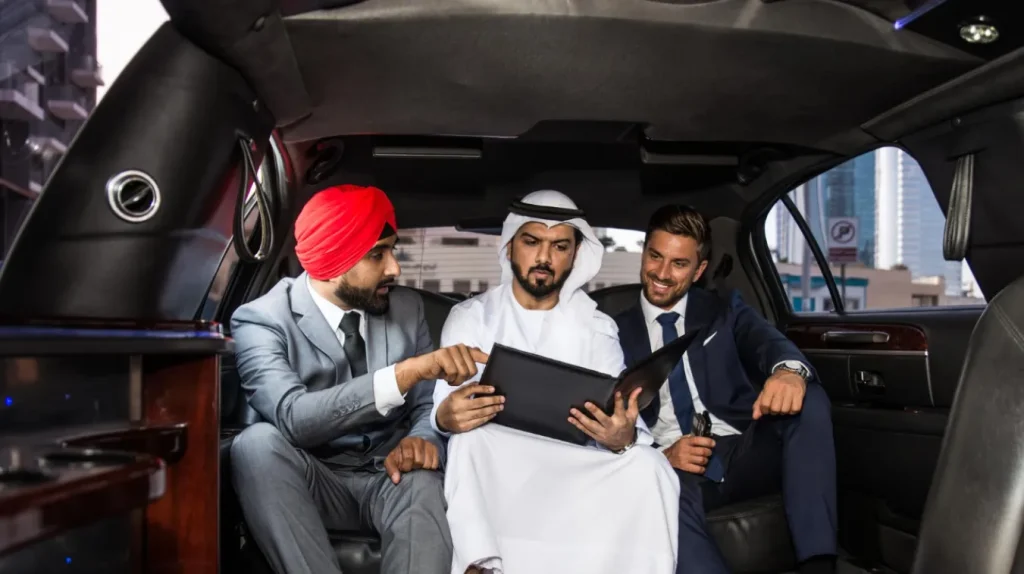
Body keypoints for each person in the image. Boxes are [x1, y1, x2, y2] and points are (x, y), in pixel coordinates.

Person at [229, 184, 487, 574]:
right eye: (377, 255)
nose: (394, 268)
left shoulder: (406, 307)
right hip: (315, 477)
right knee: (255, 445)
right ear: (333, 262)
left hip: (392, 475)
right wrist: (404, 373)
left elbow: (424, 407)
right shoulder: (261, 320)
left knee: (422, 478)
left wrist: (423, 438)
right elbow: (294, 419)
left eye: (393, 250)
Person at [432, 190, 681, 574]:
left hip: (577, 466)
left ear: (575, 254)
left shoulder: (597, 326)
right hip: (502, 461)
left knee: (650, 465)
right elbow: (442, 412)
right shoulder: (470, 318)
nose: (544, 258)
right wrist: (448, 416)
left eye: (559, 246)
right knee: (470, 440)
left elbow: (622, 423)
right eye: (532, 242)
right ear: (512, 246)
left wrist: (622, 437)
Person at [613, 205, 838, 574]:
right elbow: (608, 422)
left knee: (808, 397)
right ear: (644, 253)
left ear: (699, 270)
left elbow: (769, 344)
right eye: (655, 256)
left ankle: (819, 566)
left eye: (679, 264)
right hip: (673, 464)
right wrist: (660, 456)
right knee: (660, 491)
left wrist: (788, 373)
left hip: (741, 450)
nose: (662, 274)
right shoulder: (610, 330)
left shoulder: (724, 310)